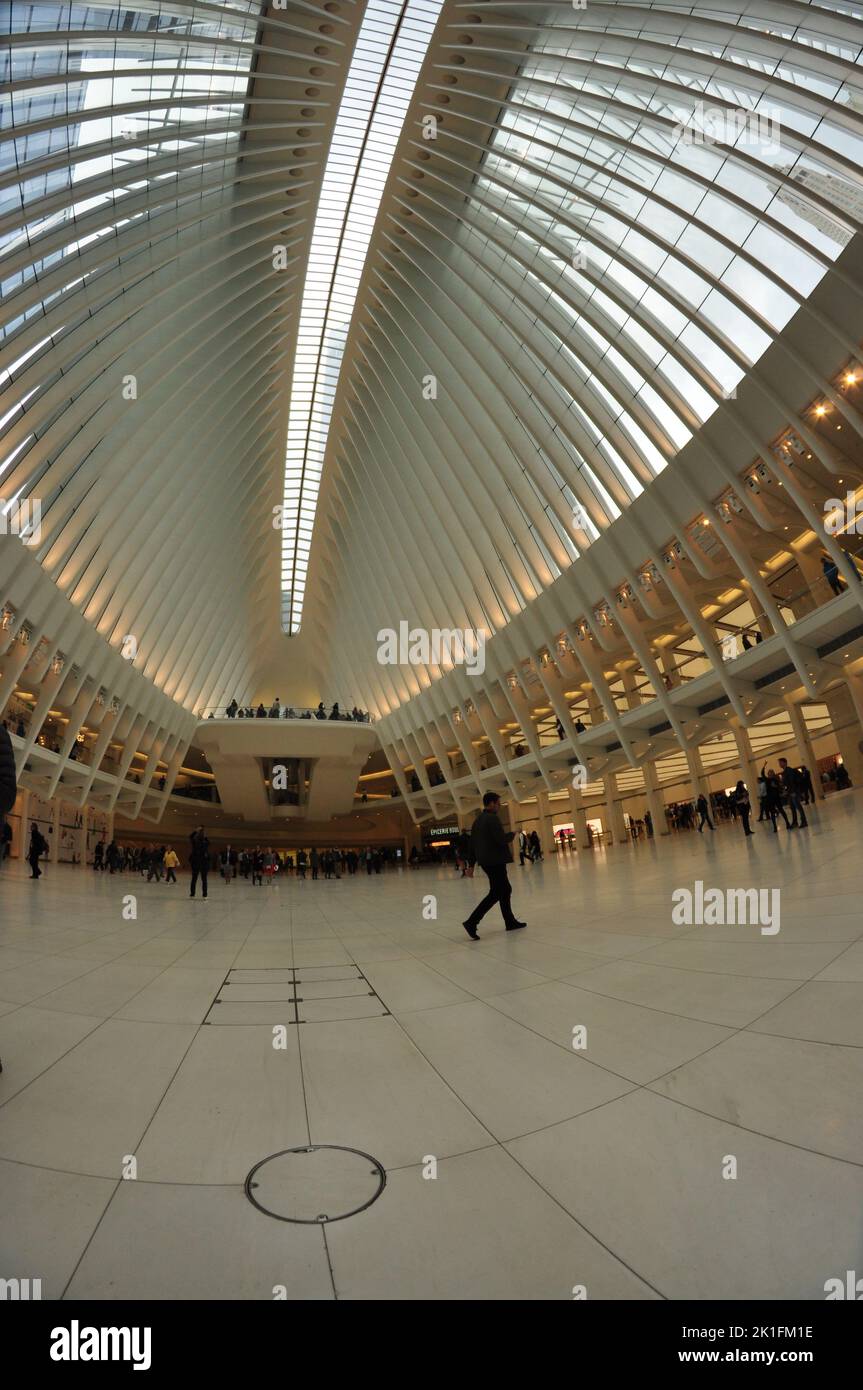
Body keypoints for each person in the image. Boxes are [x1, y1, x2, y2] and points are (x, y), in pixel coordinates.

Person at [462, 792, 525, 941]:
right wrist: (513, 833)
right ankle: (472, 922)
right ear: (491, 804)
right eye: (498, 803)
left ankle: (509, 921)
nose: (500, 805)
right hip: (495, 860)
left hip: (487, 862)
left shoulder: (477, 821)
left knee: (504, 890)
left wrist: (471, 865)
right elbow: (501, 839)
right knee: (497, 892)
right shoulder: (492, 818)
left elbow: (472, 845)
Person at [778, 757, 808, 829]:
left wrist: (793, 791)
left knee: (798, 807)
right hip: (790, 792)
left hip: (793, 792)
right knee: (792, 808)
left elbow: (792, 781)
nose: (779, 764)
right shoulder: (785, 772)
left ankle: (804, 821)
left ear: (784, 762)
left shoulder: (789, 770)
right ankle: (795, 822)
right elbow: (787, 783)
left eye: (780, 762)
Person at [189, 827, 210, 899]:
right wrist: (205, 837)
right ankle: (204, 895)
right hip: (203, 864)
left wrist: (195, 831)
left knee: (194, 879)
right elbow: (209, 842)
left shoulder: (195, 842)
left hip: (197, 863)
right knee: (203, 880)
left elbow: (190, 837)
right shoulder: (205, 842)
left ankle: (192, 894)